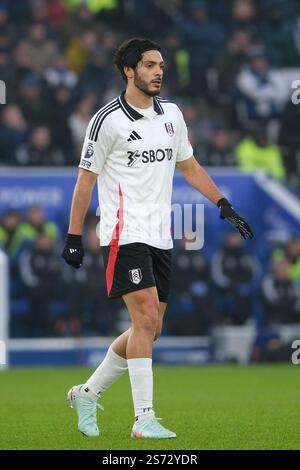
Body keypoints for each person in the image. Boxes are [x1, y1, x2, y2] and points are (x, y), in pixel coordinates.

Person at [62, 37, 253, 440]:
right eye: (149, 65)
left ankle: (87, 393)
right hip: (122, 234)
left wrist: (222, 202)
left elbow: (189, 165)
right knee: (145, 317)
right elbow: (85, 182)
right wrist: (74, 235)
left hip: (160, 236)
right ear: (129, 71)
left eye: (161, 65)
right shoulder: (107, 120)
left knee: (148, 329)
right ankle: (143, 418)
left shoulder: (173, 116)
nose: (158, 71)